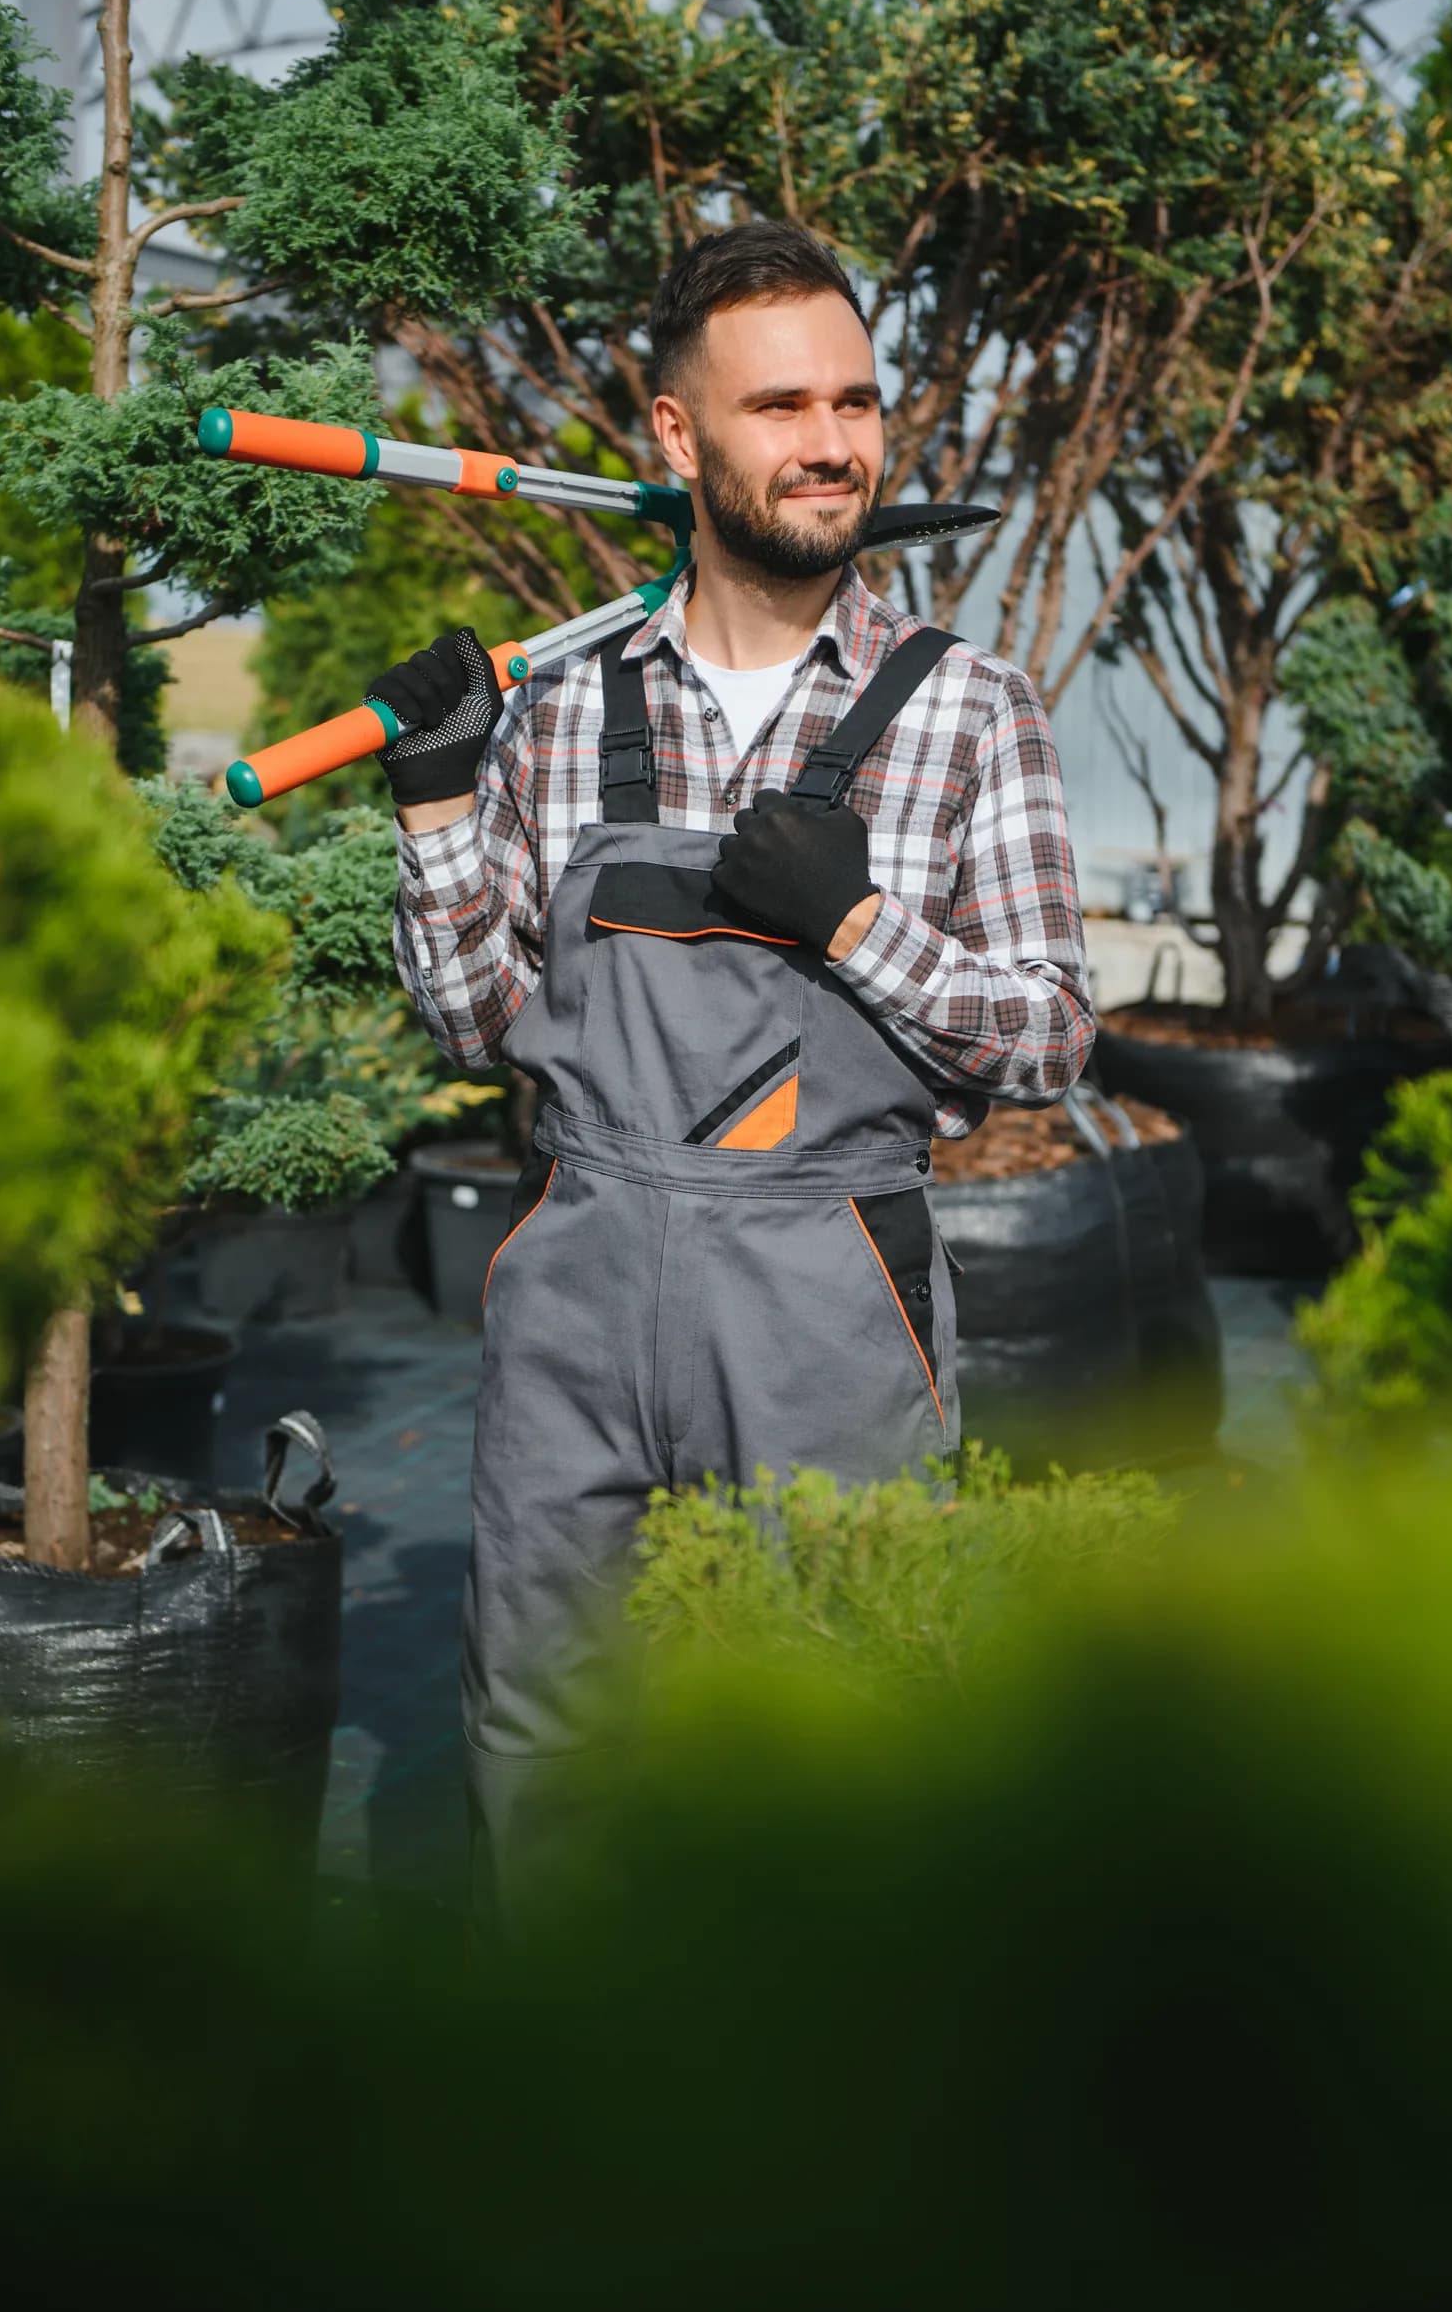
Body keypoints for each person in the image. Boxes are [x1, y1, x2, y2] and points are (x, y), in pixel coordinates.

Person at [376, 222, 1094, 1900]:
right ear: (679, 437)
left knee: (848, 1721)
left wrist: (854, 928)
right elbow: (477, 1027)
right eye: (779, 406)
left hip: (827, 1281)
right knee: (550, 1733)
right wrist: (431, 806)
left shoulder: (967, 713)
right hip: (580, 1271)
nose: (832, 442)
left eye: (853, 401)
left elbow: (1056, 1035)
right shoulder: (560, 708)